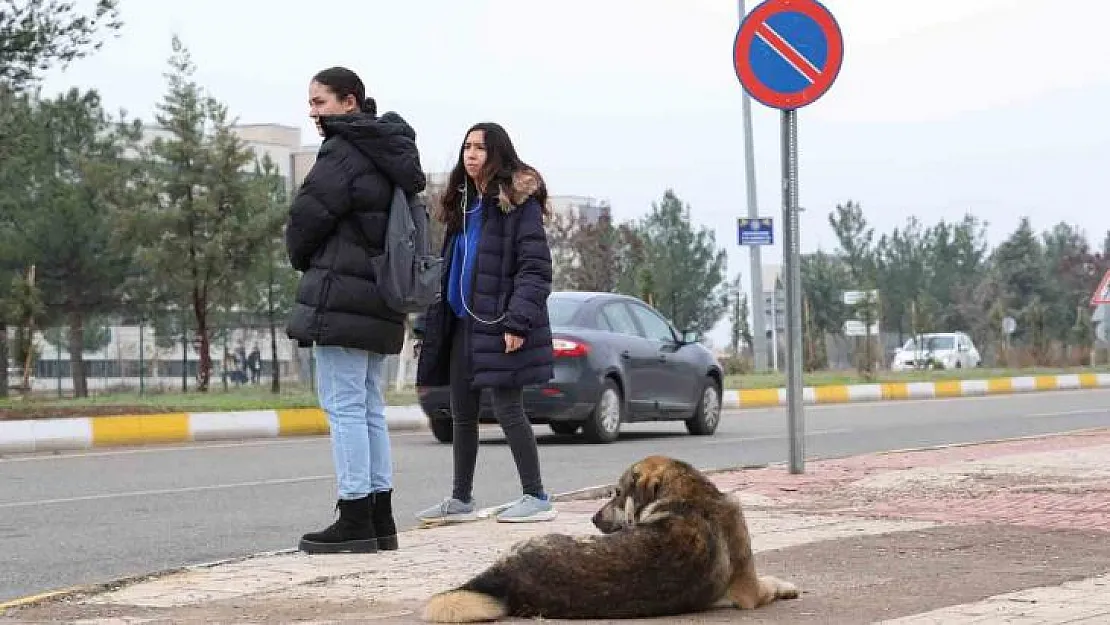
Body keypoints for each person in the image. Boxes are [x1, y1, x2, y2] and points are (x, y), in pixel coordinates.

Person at [284, 66, 426, 554]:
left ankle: (353, 516)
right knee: (368, 409)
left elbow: (306, 216)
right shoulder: (392, 152)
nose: (312, 112)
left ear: (349, 102)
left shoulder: (345, 151)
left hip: (343, 298)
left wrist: (304, 259)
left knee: (345, 409)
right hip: (382, 298)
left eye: (319, 102)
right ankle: (380, 518)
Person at [414, 122, 557, 524]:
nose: (471, 154)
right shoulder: (462, 203)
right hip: (461, 321)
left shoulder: (515, 202)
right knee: (462, 412)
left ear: (498, 154)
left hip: (499, 322)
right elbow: (451, 268)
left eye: (479, 147)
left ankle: (537, 496)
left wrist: (517, 323)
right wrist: (432, 323)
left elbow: (535, 269)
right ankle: (461, 499)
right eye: (466, 147)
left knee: (508, 408)